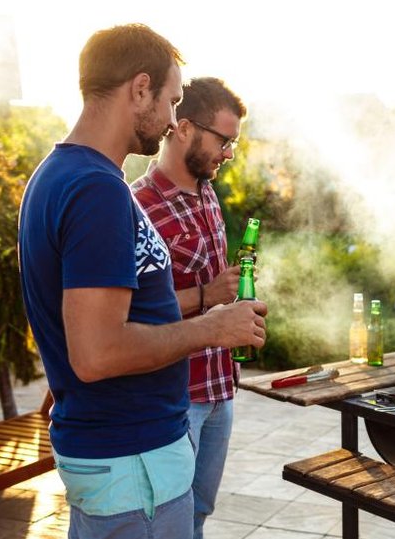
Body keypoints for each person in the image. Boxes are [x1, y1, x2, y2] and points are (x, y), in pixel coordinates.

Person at [17, 24, 267, 539]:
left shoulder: (64, 176)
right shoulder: (95, 190)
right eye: (173, 101)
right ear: (139, 89)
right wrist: (212, 327)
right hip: (133, 465)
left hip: (126, 464)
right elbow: (98, 353)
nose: (174, 118)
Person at [130, 77, 246, 539]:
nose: (230, 153)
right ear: (184, 128)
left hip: (220, 388)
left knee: (198, 512)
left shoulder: (207, 193)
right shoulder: (138, 204)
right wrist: (207, 296)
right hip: (177, 396)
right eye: (224, 140)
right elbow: (132, 314)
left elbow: (213, 287)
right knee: (166, 521)